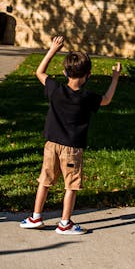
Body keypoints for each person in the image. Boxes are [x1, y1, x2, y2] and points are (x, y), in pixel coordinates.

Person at [18, 35, 121, 235]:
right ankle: (65, 223)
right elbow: (107, 99)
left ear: (65, 72)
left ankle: (35, 217)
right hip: (72, 148)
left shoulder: (55, 90)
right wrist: (115, 78)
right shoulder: (87, 97)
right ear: (88, 75)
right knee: (71, 185)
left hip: (51, 145)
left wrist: (53, 49)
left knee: (45, 180)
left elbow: (40, 72)